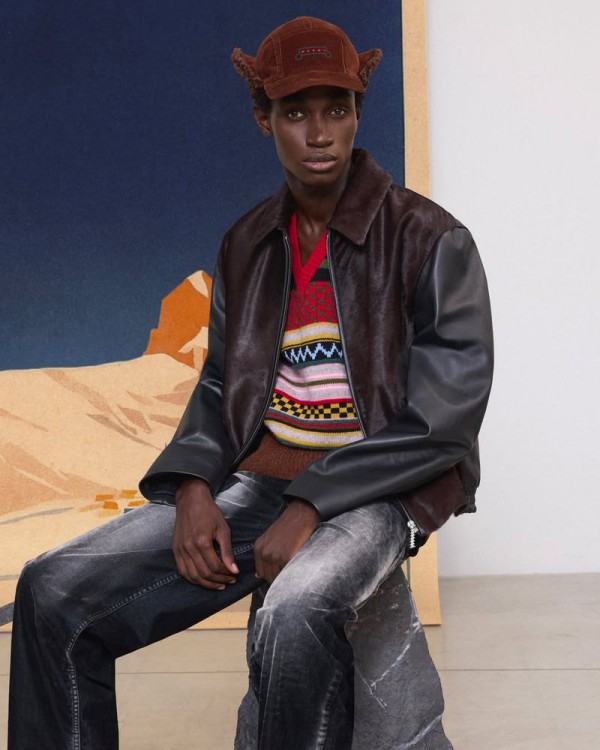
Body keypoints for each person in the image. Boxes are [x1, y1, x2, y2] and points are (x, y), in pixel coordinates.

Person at [8, 16, 493, 750]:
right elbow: (220, 385)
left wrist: (310, 502)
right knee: (51, 590)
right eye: (296, 113)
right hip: (262, 480)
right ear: (264, 119)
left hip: (379, 487)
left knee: (294, 609)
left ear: (357, 114)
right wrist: (193, 486)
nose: (319, 133)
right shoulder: (247, 244)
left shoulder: (431, 239)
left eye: (336, 110)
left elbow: (443, 422)